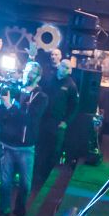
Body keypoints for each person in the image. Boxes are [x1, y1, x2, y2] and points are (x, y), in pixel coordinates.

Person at [0, 61, 47, 216]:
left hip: (26, 147)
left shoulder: (41, 97)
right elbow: (1, 115)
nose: (28, 74)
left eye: (32, 72)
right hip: (7, 144)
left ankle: (19, 210)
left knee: (25, 184)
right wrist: (2, 106)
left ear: (38, 77)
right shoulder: (14, 90)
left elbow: (29, 120)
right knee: (5, 183)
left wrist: (10, 107)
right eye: (26, 71)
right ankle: (3, 214)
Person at [34, 58, 79, 187]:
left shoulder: (71, 86)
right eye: (63, 66)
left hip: (57, 123)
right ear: (59, 66)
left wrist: (66, 122)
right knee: (39, 148)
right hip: (43, 120)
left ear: (70, 71)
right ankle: (35, 176)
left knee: (53, 151)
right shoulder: (48, 79)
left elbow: (74, 107)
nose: (64, 69)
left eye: (67, 68)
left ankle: (45, 179)